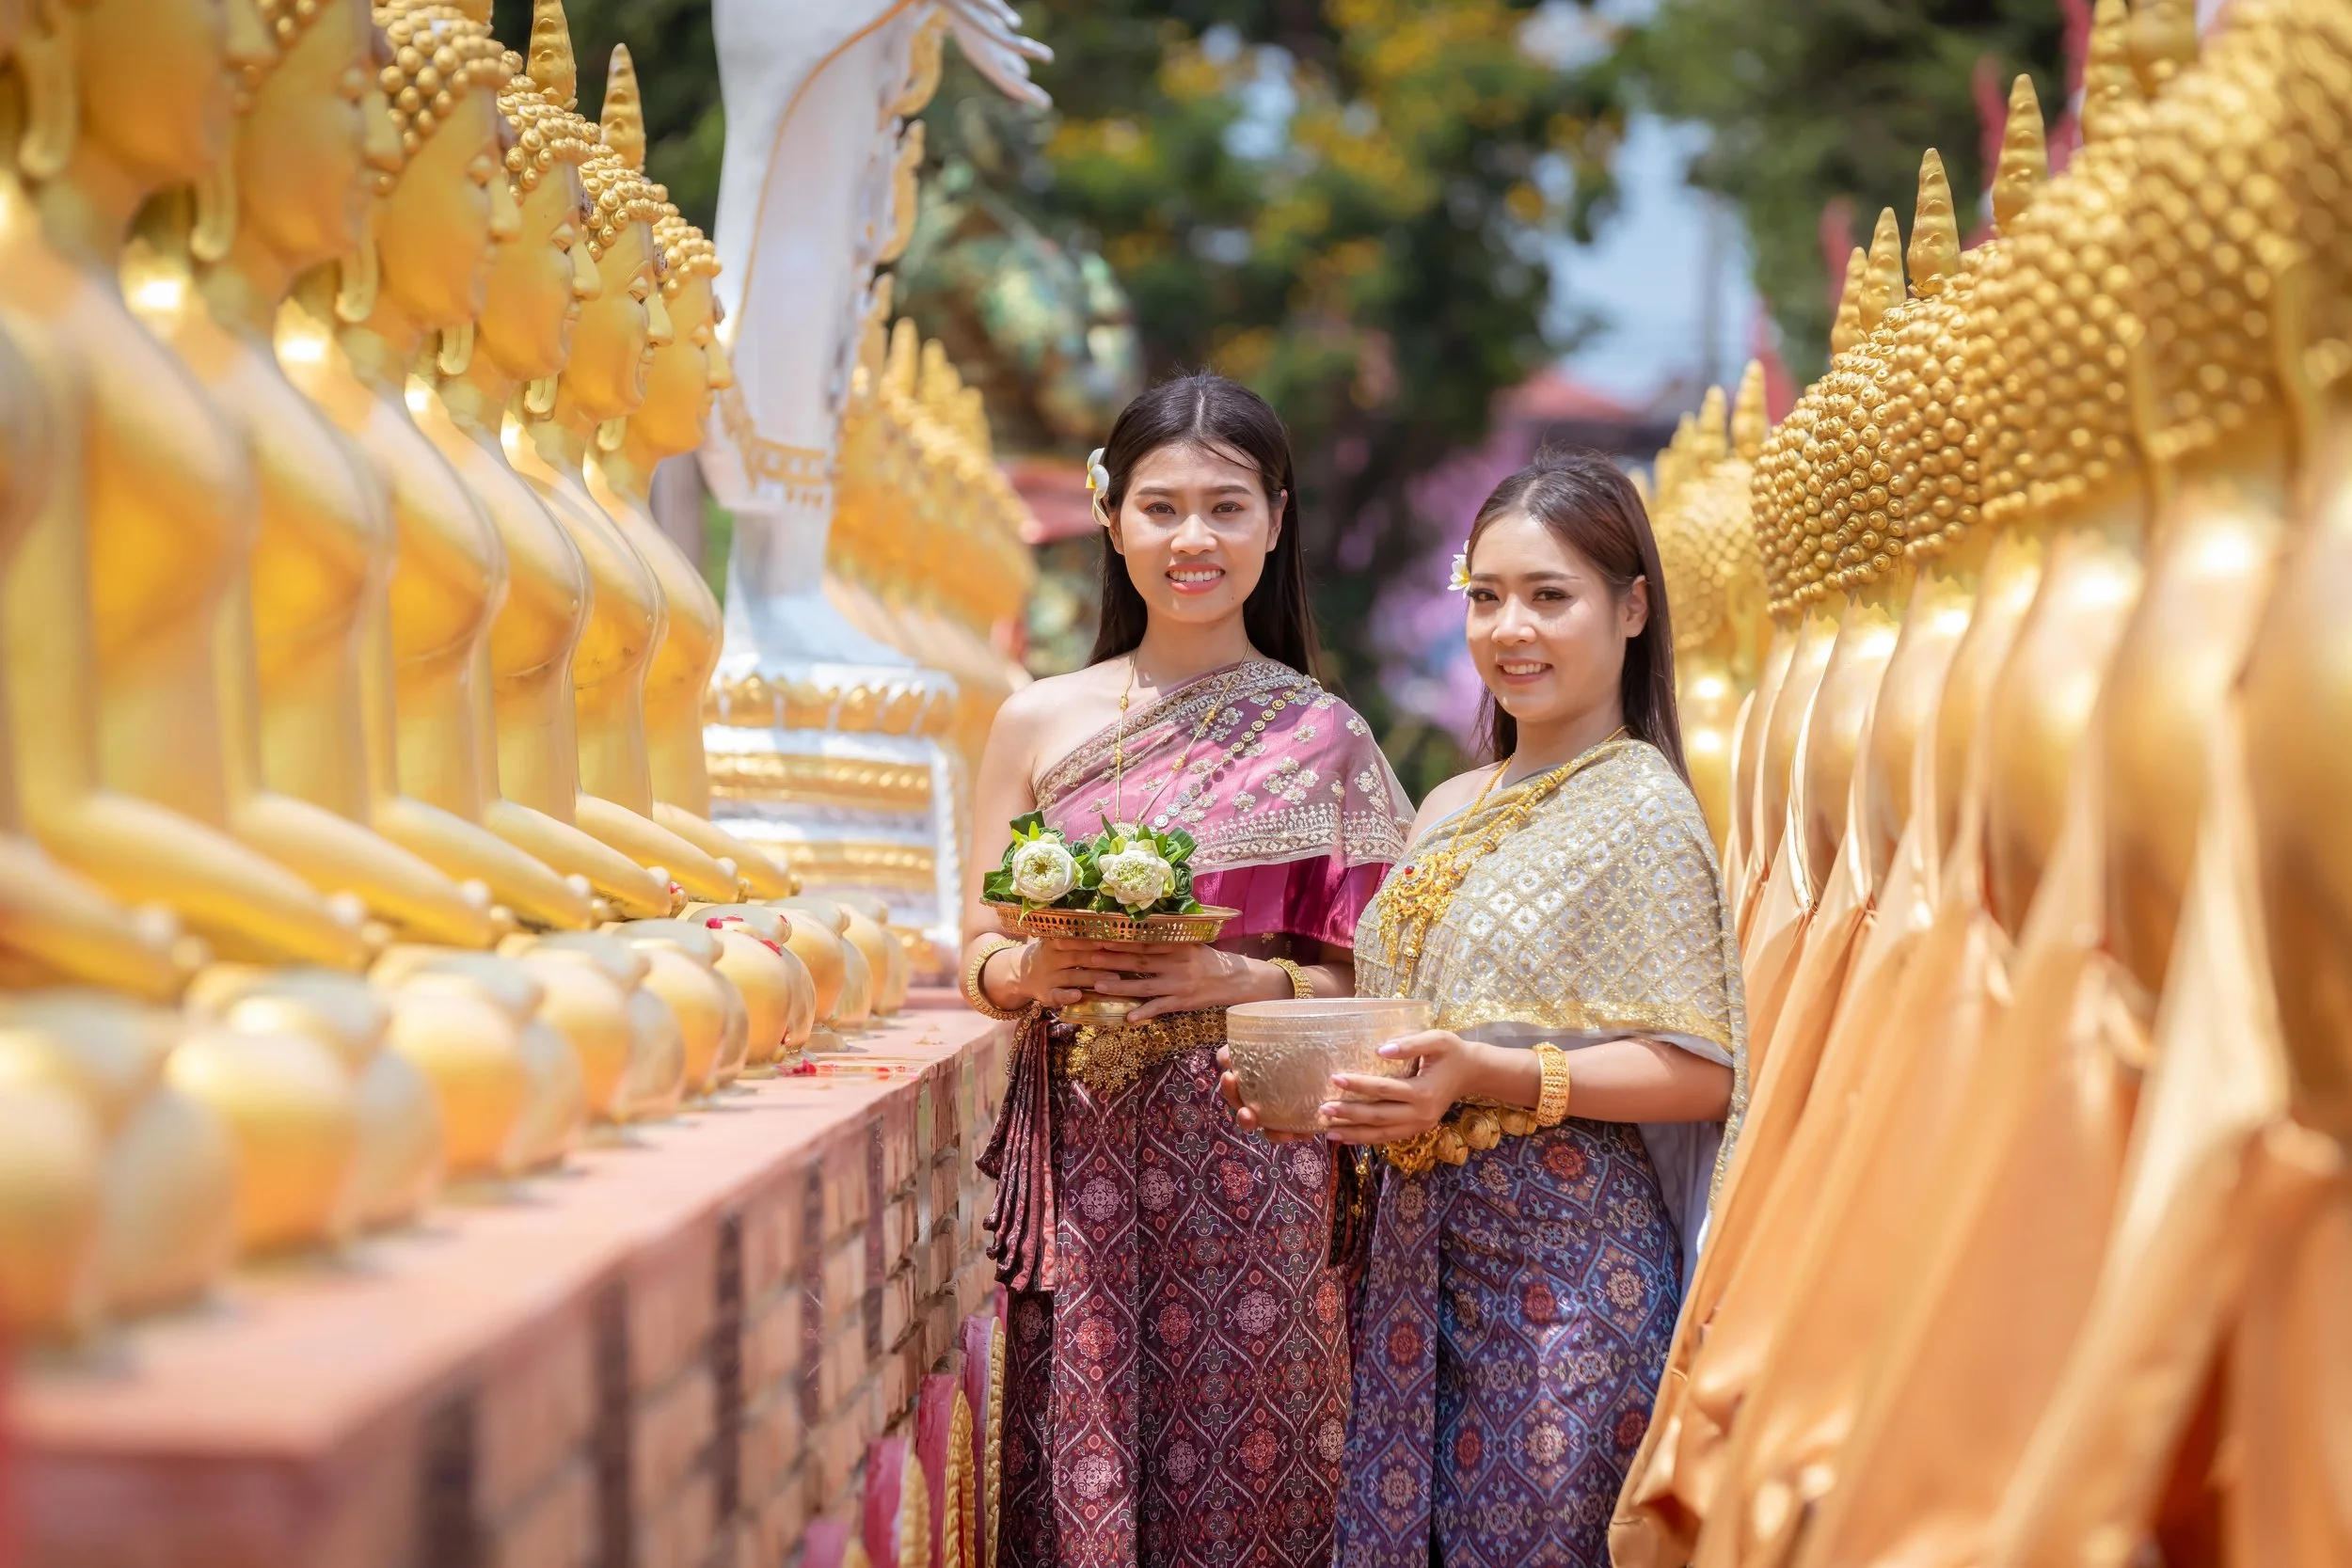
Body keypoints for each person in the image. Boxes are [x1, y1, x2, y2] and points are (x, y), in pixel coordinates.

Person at [1228, 450, 1744, 1567]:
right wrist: (1319, 1079)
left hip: (1565, 1276)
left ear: (1632, 606)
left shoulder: (1641, 806)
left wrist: (1492, 1075)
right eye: (1486, 595)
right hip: (1418, 1257)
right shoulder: (1457, 802)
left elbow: (1701, 1067)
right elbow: (1404, 1011)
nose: (1511, 628)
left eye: (1550, 595)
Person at [961, 373, 1412, 1567]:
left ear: (1276, 520)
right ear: (1112, 521)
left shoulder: (1326, 736)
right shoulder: (1036, 721)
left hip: (1253, 1169)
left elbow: (1398, 986)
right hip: (1084, 1158)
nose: (1192, 539)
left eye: (1225, 507)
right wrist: (1032, 974)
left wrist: (1245, 982)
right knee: (1078, 1468)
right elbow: (975, 952)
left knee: (1258, 1486)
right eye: (1162, 507)